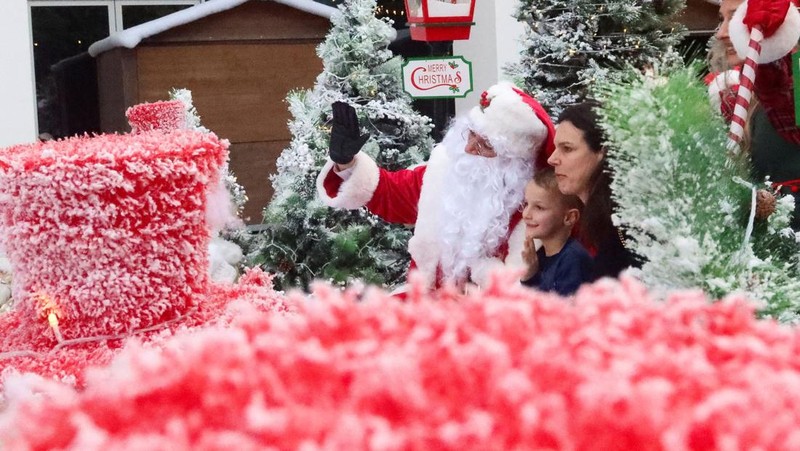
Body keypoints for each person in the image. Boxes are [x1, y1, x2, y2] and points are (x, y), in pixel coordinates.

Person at [316, 82, 556, 290]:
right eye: (471, 133)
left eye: (486, 145)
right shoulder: (445, 171)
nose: (469, 148)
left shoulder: (532, 211)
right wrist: (345, 162)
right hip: (427, 306)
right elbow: (388, 192)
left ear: (513, 162)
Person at [713, 0, 800, 229]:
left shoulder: (792, 86)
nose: (722, 33)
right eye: (722, 19)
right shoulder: (741, 94)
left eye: (735, 17)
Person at [546, 102, 638, 280]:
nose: (552, 159)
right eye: (556, 148)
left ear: (602, 152)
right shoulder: (601, 218)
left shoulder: (625, 224)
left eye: (567, 149)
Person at [520, 168, 592, 296]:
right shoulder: (540, 256)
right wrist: (530, 274)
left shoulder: (572, 260)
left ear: (569, 217)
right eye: (526, 204)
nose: (526, 214)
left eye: (539, 207)